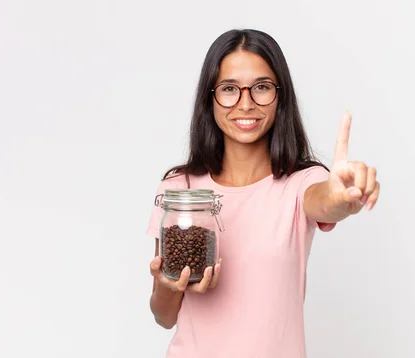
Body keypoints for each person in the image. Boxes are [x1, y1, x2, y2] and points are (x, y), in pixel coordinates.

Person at [147, 28, 380, 358]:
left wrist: (343, 196)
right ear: (209, 97)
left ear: (279, 96)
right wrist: (170, 285)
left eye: (261, 88)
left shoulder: (301, 182)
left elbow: (325, 201)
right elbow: (163, 316)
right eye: (229, 89)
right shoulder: (178, 190)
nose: (246, 104)